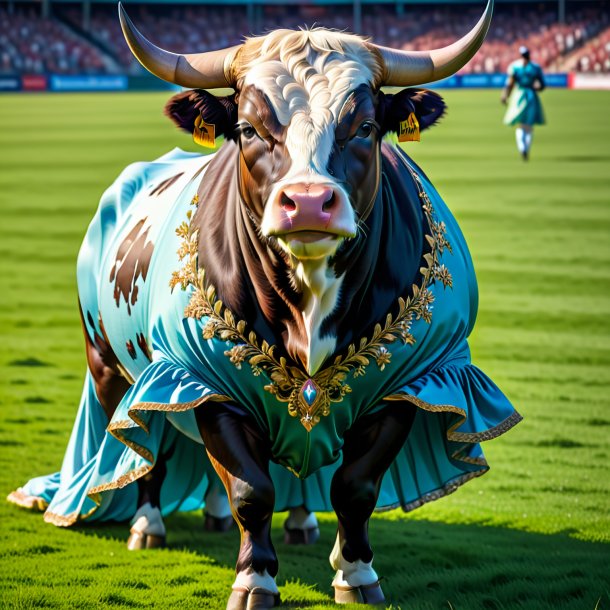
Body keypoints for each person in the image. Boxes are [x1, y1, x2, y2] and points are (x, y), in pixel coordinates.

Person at [501, 46, 546, 160]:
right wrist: (535, 88)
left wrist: (505, 95)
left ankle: (523, 148)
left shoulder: (515, 66)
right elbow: (542, 85)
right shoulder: (535, 67)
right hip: (531, 95)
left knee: (521, 124)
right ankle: (525, 148)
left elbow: (510, 84)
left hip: (519, 95)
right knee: (528, 125)